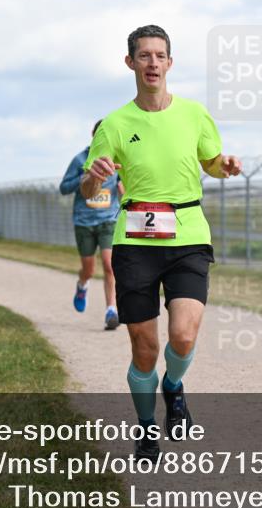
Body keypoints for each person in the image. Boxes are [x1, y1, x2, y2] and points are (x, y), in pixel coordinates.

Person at [81, 25, 241, 460]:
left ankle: (173, 387)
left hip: (188, 235)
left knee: (183, 336)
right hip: (135, 242)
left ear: (170, 63)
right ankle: (147, 426)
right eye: (144, 55)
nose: (152, 63)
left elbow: (212, 162)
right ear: (130, 62)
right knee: (145, 347)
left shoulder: (194, 114)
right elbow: (89, 190)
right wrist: (92, 177)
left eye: (159, 55)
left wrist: (225, 165)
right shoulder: (114, 125)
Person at [60, 119, 124, 330]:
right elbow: (63, 188)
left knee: (109, 265)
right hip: (84, 222)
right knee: (88, 269)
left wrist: (123, 187)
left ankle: (111, 310)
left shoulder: (117, 159)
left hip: (108, 219)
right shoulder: (80, 160)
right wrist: (84, 177)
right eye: (101, 135)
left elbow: (123, 185)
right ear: (93, 135)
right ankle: (82, 284)